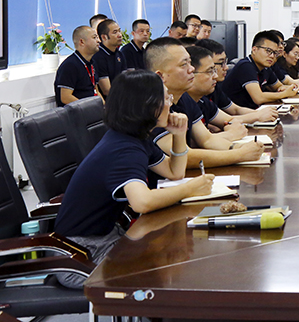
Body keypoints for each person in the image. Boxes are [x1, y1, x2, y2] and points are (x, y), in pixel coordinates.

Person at [54, 70, 214, 289]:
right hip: (81, 256)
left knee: (170, 256)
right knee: (163, 268)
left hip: (104, 238)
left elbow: (174, 172)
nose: (171, 103)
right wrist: (191, 188)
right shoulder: (124, 150)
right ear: (146, 105)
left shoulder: (134, 138)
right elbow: (142, 202)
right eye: (165, 98)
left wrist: (179, 135)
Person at [145, 38, 263, 168]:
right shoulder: (151, 106)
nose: (191, 69)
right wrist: (239, 154)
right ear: (160, 76)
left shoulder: (184, 98)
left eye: (190, 63)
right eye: (184, 65)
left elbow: (207, 140)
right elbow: (183, 156)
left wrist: (237, 147)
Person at [195, 38, 278, 125]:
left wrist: (262, 113)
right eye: (221, 63)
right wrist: (258, 116)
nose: (226, 67)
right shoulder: (192, 99)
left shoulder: (214, 88)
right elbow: (225, 121)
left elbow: (235, 110)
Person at [185, 46, 249, 139]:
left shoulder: (201, 100)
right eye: (210, 71)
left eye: (214, 70)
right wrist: (231, 134)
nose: (215, 76)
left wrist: (232, 127)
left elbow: (229, 120)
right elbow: (202, 142)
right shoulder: (180, 104)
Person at [222, 31, 299, 108]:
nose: (272, 56)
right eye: (268, 51)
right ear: (254, 50)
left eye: (275, 53)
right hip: (237, 113)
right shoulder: (245, 66)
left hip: (254, 111)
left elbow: (279, 87)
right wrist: (284, 94)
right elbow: (258, 98)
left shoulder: (265, 67)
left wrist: (286, 89)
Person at [54, 25, 100, 106]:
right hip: (78, 111)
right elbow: (65, 97)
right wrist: (88, 109)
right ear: (82, 42)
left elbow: (96, 90)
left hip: (92, 109)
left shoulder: (92, 63)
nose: (98, 41)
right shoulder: (70, 65)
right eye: (94, 37)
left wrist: (104, 106)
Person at [92, 18, 126, 97]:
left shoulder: (119, 54)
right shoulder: (98, 56)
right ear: (104, 37)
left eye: (119, 31)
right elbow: (107, 90)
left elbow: (125, 79)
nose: (120, 35)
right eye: (115, 32)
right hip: (108, 99)